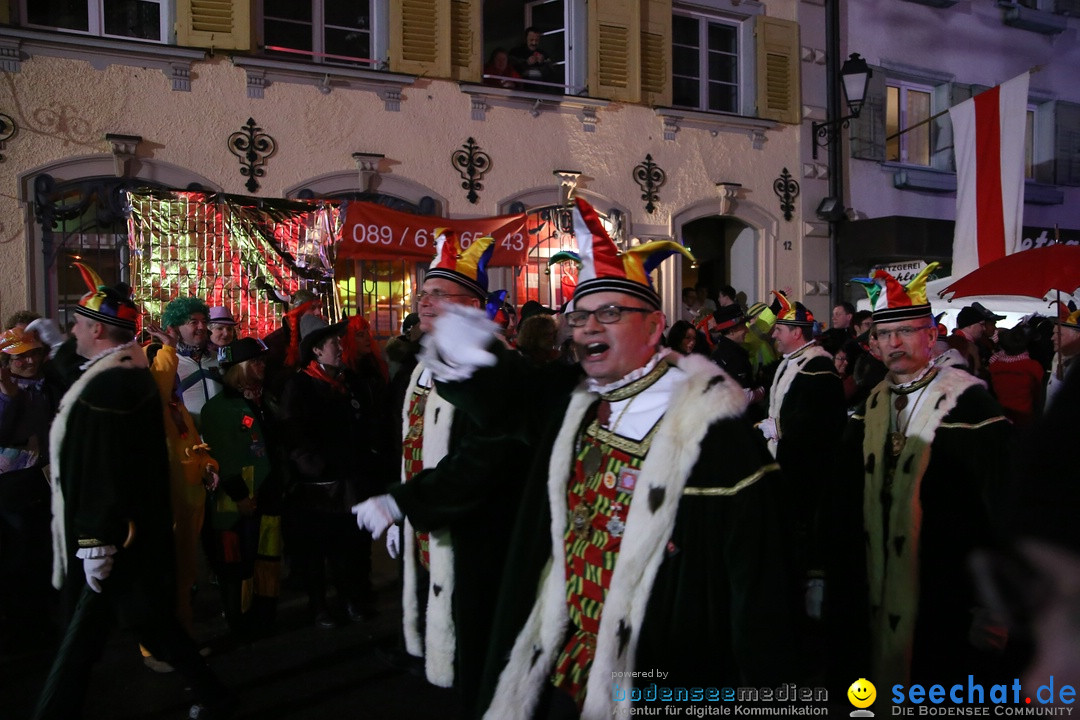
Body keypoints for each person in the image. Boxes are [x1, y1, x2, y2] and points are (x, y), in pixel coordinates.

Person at [424, 199, 796, 718]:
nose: (590, 328)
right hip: (561, 663)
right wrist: (453, 321)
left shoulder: (715, 430)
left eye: (612, 313)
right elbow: (496, 398)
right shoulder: (574, 407)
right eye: (580, 316)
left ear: (654, 326)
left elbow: (758, 593)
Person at [33, 263, 230, 720]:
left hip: (113, 536)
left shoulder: (118, 384)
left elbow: (106, 468)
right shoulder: (111, 367)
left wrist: (94, 539)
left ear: (101, 333)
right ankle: (215, 696)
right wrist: (58, 345)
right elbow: (74, 369)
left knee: (81, 637)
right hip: (122, 534)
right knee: (150, 622)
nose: (74, 331)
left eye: (80, 325)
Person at [351, 232, 531, 716]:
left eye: (438, 295)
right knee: (442, 617)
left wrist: (402, 503)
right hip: (435, 515)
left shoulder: (494, 366)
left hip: (479, 529)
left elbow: (482, 462)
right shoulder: (425, 364)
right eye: (423, 294)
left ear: (472, 305)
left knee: (480, 644)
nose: (424, 303)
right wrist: (408, 507)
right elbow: (412, 444)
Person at [829, 263, 1013, 692]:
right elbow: (839, 503)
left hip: (945, 593)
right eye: (883, 334)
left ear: (931, 335)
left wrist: (996, 602)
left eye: (907, 331)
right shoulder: (864, 412)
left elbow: (1001, 509)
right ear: (872, 343)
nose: (894, 343)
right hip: (873, 589)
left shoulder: (971, 410)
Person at [280, 314, 388, 628]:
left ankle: (350, 600)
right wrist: (317, 467)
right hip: (318, 487)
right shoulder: (299, 385)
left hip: (348, 483)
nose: (340, 346)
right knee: (317, 551)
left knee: (349, 547)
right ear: (315, 350)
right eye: (332, 342)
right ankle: (319, 607)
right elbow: (294, 436)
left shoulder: (345, 383)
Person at [759, 292, 845, 621]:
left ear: (796, 332)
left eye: (779, 329)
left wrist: (778, 427)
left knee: (805, 534)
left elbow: (820, 420)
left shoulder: (818, 366)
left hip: (807, 472)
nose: (774, 335)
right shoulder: (794, 362)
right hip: (787, 465)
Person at [200, 337, 283, 640]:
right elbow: (223, 456)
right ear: (238, 369)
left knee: (267, 559)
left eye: (263, 361)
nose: (263, 366)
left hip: (268, 496)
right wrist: (240, 496)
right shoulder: (219, 409)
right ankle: (240, 623)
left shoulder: (264, 400)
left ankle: (264, 616)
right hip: (237, 504)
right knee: (237, 565)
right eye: (256, 362)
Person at [0, 325, 64, 650]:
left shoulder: (47, 385)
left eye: (32, 353)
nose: (27, 361)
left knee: (43, 553)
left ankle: (42, 621)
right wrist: (9, 398)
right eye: (19, 356)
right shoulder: (7, 391)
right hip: (13, 487)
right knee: (18, 558)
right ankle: (21, 629)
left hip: (45, 482)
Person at [157, 296, 221, 429]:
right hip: (188, 442)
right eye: (193, 322)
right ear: (175, 328)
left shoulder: (219, 358)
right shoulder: (168, 361)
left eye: (204, 321)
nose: (202, 327)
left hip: (222, 439)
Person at [987, 325, 1044, 427]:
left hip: (1001, 417)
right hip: (1025, 419)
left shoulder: (994, 364)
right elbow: (1040, 393)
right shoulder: (1032, 367)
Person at [1045, 307, 1080, 410]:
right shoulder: (1058, 356)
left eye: (1059, 334)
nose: (1052, 338)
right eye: (1053, 333)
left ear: (1077, 336)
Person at [508, 27, 556, 91]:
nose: (534, 43)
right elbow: (510, 70)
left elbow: (552, 74)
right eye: (531, 40)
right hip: (521, 90)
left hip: (541, 92)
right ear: (525, 39)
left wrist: (543, 63)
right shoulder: (516, 52)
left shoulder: (544, 54)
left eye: (537, 40)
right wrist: (526, 63)